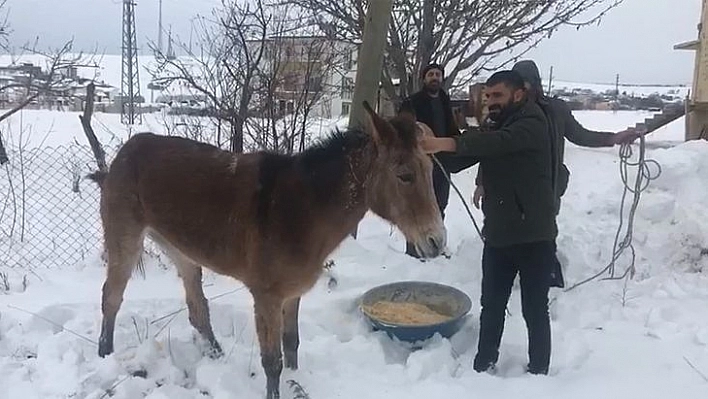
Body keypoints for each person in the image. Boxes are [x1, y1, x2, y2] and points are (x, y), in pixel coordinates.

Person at [420, 70, 557, 375]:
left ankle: (540, 372)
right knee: (491, 306)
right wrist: (427, 152)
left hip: (534, 236)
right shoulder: (495, 124)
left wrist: (444, 142)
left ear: (518, 95)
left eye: (497, 96)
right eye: (487, 96)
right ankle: (483, 365)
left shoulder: (532, 122)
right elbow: (465, 156)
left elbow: (498, 143)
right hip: (497, 235)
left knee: (534, 309)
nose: (491, 102)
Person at [472, 60, 641, 288]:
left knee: (543, 232)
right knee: (506, 230)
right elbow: (490, 149)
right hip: (507, 188)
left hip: (547, 185)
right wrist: (481, 182)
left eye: (527, 84)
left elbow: (580, 135)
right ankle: (510, 273)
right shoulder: (502, 114)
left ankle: (549, 278)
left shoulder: (556, 109)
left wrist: (612, 138)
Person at [399, 62, 466, 259]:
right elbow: (403, 131)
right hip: (420, 163)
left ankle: (435, 245)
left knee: (439, 204)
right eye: (431, 74)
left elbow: (452, 129)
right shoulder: (412, 102)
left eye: (438, 74)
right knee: (418, 205)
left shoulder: (446, 101)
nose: (435, 77)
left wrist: (458, 143)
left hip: (441, 162)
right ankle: (413, 250)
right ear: (424, 78)